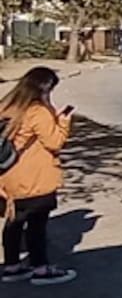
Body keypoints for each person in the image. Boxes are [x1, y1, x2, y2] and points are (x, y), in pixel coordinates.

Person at [0, 67, 75, 286]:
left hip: (8, 175)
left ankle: (12, 267)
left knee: (13, 223)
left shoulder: (7, 107)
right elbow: (54, 142)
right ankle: (41, 269)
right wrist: (63, 120)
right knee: (37, 224)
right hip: (35, 176)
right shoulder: (37, 111)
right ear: (44, 87)